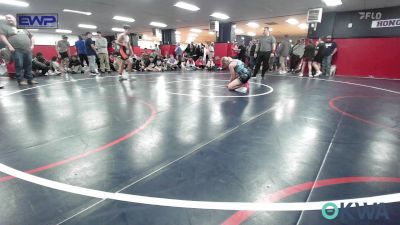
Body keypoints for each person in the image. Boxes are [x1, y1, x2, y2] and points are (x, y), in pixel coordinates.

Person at [0, 14, 38, 86]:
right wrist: (9, 46)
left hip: (27, 49)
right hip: (16, 49)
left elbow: (32, 36)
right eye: (6, 18)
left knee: (29, 64)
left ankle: (30, 79)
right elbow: (2, 37)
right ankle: (20, 80)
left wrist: (32, 45)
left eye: (9, 17)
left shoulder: (23, 27)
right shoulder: (5, 27)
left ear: (14, 18)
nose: (8, 19)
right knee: (19, 64)